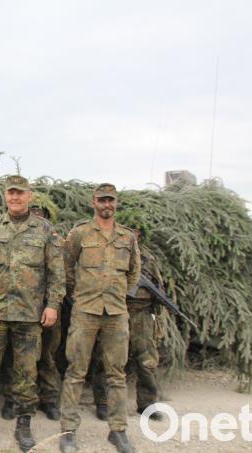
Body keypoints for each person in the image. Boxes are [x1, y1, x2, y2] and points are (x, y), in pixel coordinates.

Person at [0, 175, 66, 452]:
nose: (15, 198)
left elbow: (56, 273)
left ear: (29, 196)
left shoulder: (45, 230)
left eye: (20, 193)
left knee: (26, 373)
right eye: (11, 193)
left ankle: (24, 424)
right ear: (5, 196)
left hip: (29, 314)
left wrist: (53, 304)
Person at [58, 183, 141, 453]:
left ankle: (118, 431)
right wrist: (80, 294)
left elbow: (133, 273)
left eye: (111, 201)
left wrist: (118, 294)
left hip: (116, 313)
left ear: (115, 204)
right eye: (102, 200)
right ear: (94, 202)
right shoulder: (80, 233)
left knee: (117, 374)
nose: (107, 205)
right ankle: (68, 431)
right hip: (85, 311)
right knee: (75, 372)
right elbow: (67, 267)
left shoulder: (127, 237)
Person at [0, 192, 65, 421]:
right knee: (14, 357)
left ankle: (48, 399)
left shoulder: (50, 236)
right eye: (34, 211)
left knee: (46, 356)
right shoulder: (7, 231)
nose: (35, 216)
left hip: (45, 307)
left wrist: (52, 304)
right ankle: (12, 399)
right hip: (18, 307)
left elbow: (58, 274)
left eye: (40, 213)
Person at [90, 229, 166, 421]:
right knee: (106, 358)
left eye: (136, 231)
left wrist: (156, 312)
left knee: (147, 361)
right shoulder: (106, 252)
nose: (132, 234)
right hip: (114, 311)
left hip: (142, 315)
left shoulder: (148, 257)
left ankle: (147, 404)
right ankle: (104, 403)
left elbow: (159, 286)